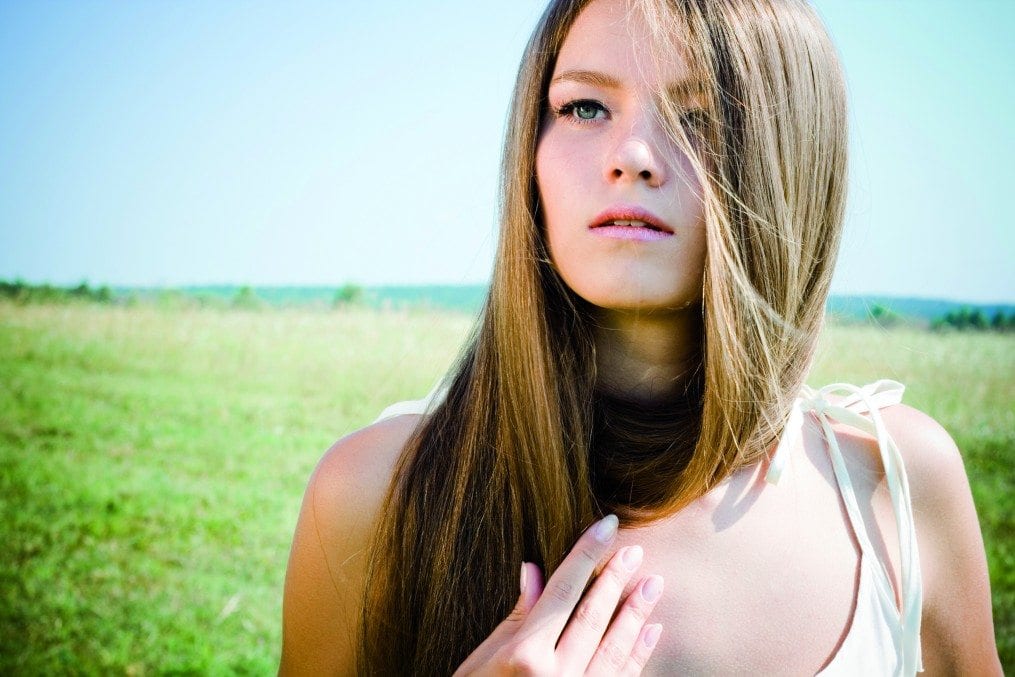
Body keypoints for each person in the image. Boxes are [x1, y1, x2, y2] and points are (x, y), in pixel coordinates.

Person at [280, 0, 1002, 674]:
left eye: (702, 117)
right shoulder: (373, 493)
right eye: (584, 106)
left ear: (795, 162)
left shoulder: (898, 484)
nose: (631, 155)